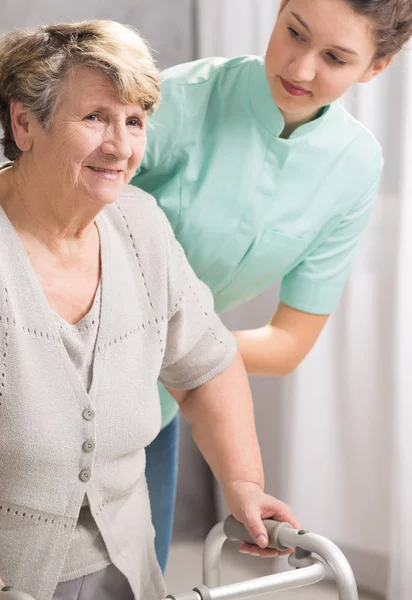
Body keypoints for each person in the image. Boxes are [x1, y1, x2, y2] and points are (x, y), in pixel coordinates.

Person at [0, 20, 298, 600]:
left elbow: (207, 366)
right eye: (95, 117)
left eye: (135, 121)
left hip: (119, 572)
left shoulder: (142, 227)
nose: (120, 145)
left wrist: (243, 482)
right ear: (24, 123)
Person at [133, 0, 412, 572]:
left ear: (375, 68)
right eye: (294, 32)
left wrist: (174, 348)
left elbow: (288, 343)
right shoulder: (175, 102)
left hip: (152, 408)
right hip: (50, 375)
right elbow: (48, 224)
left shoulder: (355, 165)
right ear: (280, 9)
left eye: (335, 57)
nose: (300, 68)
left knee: (134, 581)